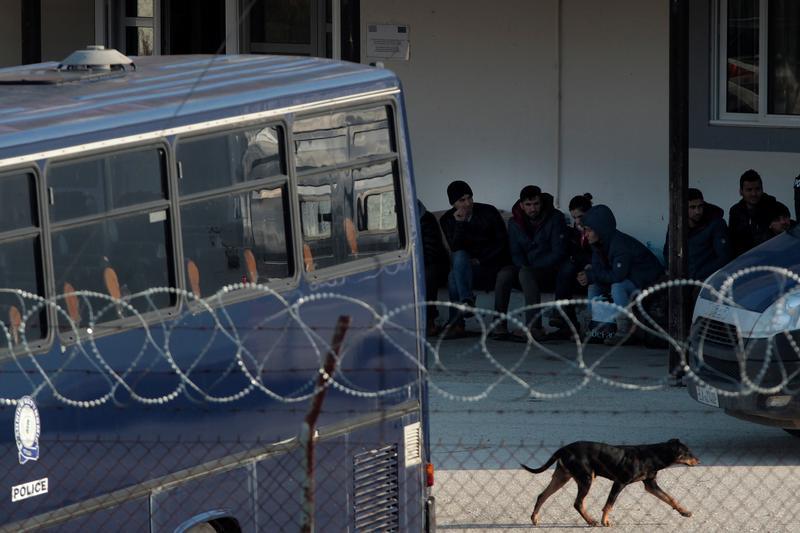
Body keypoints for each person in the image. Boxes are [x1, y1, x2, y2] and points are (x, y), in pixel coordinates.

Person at [577, 205, 664, 345]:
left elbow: (618, 277)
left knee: (617, 287)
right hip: (628, 279)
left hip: (645, 282)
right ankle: (594, 327)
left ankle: (625, 331)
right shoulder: (598, 244)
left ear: (600, 229)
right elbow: (599, 270)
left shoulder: (620, 244)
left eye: (588, 230)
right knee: (594, 286)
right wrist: (588, 275)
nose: (586, 234)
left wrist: (592, 275)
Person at [439, 180, 514, 336]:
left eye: (469, 198)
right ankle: (467, 301)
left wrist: (481, 260)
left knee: (454, 274)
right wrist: (460, 224)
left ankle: (457, 321)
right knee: (458, 258)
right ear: (453, 203)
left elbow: (502, 243)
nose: (467, 203)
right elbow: (455, 247)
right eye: (462, 200)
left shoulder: (488, 211)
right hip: (468, 269)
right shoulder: (447, 219)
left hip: (493, 264)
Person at [505, 185, 576, 339]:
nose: (533, 208)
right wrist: (525, 267)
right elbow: (515, 252)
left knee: (526, 272)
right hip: (528, 271)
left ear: (541, 203)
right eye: (528, 205)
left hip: (552, 271)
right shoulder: (514, 223)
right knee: (507, 274)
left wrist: (531, 268)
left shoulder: (555, 217)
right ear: (521, 205)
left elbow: (559, 252)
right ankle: (501, 326)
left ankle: (533, 327)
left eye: (536, 204)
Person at [662, 188, 731, 281]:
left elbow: (724, 258)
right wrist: (674, 271)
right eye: (692, 207)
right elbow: (668, 252)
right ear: (683, 207)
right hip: (681, 278)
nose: (698, 211)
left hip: (705, 279)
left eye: (700, 206)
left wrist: (697, 276)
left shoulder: (716, 224)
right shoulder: (675, 225)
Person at [729, 169, 778, 257]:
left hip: (772, 257)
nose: (754, 193)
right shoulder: (735, 211)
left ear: (762, 189)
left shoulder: (774, 207)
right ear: (741, 191)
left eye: (757, 189)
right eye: (749, 190)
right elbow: (733, 242)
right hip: (745, 261)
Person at [418, 200, 450, 336]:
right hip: (412, 264)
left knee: (427, 275)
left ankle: (429, 320)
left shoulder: (426, 219)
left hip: (434, 264)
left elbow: (432, 251)